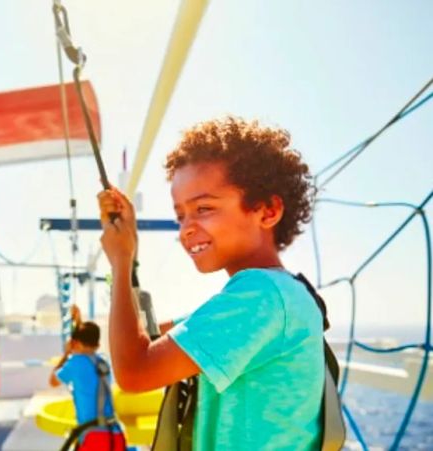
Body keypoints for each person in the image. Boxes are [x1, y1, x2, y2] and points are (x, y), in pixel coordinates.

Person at [98, 116, 323, 450]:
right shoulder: (279, 294)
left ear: (267, 211)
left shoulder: (260, 298)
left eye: (203, 208)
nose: (186, 228)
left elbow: (134, 371)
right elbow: (152, 338)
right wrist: (128, 259)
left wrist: (121, 261)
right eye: (180, 215)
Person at [49, 321, 126, 450]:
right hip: (115, 433)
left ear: (76, 344)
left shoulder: (74, 363)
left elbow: (53, 381)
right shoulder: (103, 362)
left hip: (93, 436)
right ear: (98, 345)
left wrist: (67, 353)